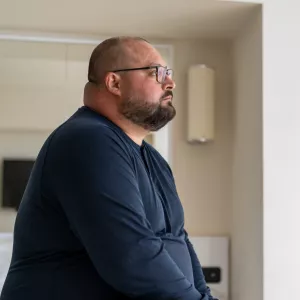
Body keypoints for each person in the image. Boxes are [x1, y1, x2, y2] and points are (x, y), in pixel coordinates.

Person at [0, 36, 217, 300]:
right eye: (157, 73)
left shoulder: (153, 159)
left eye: (168, 74)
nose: (170, 83)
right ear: (114, 82)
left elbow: (179, 240)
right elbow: (132, 254)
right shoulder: (88, 140)